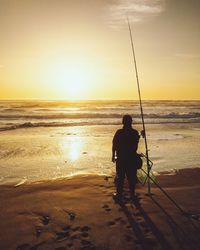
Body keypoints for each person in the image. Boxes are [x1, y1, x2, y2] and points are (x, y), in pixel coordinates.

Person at [112, 114, 141, 201]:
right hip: (131, 158)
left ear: (123, 122)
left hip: (121, 158)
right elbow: (135, 145)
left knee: (120, 177)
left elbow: (114, 144)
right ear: (131, 122)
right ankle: (132, 194)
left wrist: (113, 155)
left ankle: (119, 195)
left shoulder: (119, 132)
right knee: (131, 177)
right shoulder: (135, 133)